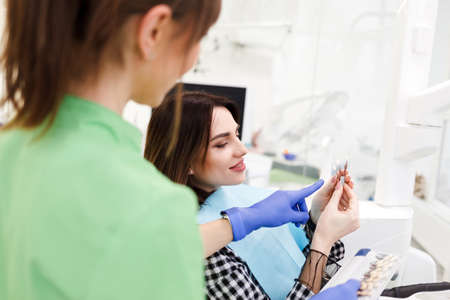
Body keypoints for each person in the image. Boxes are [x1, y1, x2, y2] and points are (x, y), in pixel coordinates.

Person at [0, 1, 330, 299]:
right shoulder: (152, 205)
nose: (193, 58)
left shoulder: (10, 153)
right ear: (154, 30)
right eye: (198, 36)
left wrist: (241, 222)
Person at [145, 91, 360, 299]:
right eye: (222, 144)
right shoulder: (203, 252)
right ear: (186, 160)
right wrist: (323, 240)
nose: (243, 149)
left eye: (237, 135)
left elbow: (320, 266)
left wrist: (316, 220)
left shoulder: (240, 195)